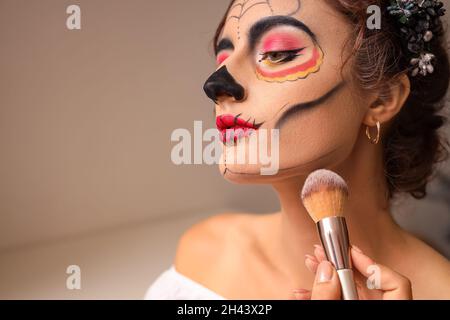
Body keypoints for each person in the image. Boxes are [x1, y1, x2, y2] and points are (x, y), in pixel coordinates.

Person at [146, 0, 450, 300]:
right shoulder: (206, 253)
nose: (218, 83)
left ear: (382, 98)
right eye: (223, 57)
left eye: (278, 53)